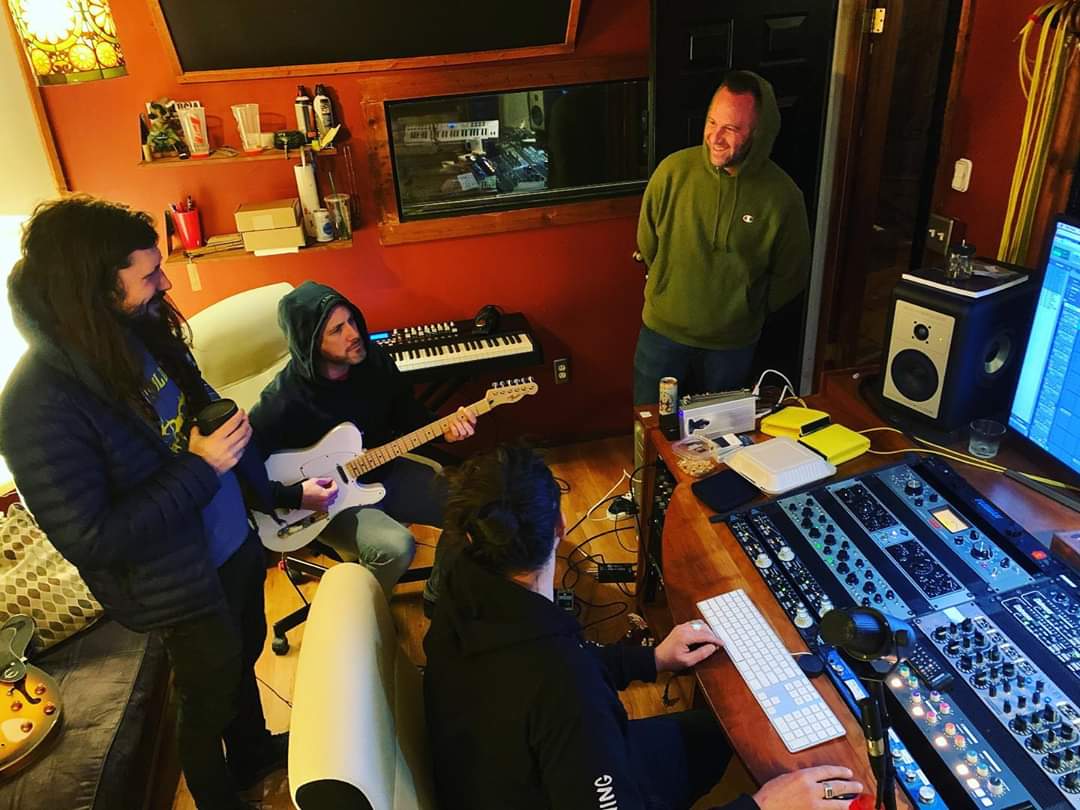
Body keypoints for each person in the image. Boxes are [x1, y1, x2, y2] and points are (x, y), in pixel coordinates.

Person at [0, 196, 289, 810]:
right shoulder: (34, 408)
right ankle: (217, 797)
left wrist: (270, 491)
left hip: (233, 544)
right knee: (206, 698)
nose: (166, 283)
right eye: (150, 274)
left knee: (243, 658)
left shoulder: (138, 332)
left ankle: (254, 753)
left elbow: (204, 414)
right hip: (178, 584)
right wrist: (201, 467)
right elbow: (93, 538)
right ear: (96, 287)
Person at [423, 445, 863, 809]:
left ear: (472, 534)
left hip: (491, 765)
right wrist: (762, 807)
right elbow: (563, 681)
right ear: (560, 526)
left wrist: (650, 659)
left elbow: (561, 663)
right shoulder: (564, 687)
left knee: (713, 733)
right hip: (538, 784)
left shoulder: (460, 584)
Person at [249, 281, 475, 606]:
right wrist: (295, 495)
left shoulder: (374, 362)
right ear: (310, 342)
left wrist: (445, 430)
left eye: (352, 321)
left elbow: (407, 414)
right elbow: (243, 471)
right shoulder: (282, 401)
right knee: (395, 547)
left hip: (383, 473)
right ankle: (367, 614)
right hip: (327, 504)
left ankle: (436, 594)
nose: (353, 334)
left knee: (469, 505)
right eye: (337, 330)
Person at [633, 70, 811, 405]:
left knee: (719, 433)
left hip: (731, 346)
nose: (715, 137)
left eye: (731, 128)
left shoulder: (783, 197)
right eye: (712, 122)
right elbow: (647, 244)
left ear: (758, 133)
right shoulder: (672, 172)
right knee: (650, 427)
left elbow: (792, 273)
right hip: (662, 334)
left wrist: (745, 308)